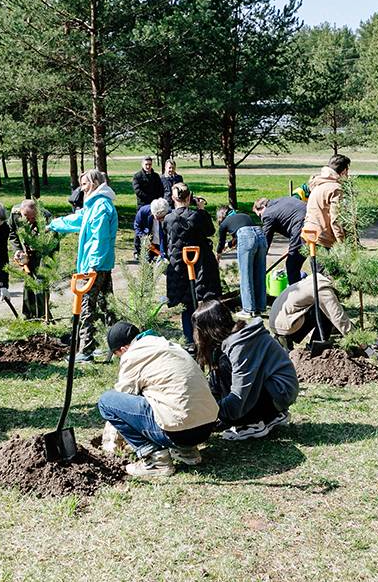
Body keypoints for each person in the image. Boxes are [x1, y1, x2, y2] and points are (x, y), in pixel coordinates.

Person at [97, 321, 219, 478]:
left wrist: (110, 442)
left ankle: (157, 461)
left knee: (106, 401)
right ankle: (187, 451)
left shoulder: (132, 355)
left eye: (117, 355)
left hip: (179, 432)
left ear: (123, 349)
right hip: (207, 426)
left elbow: (122, 400)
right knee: (168, 397)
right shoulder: (169, 345)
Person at [193, 300, 297, 440]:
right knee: (220, 366)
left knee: (223, 365)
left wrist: (214, 415)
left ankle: (250, 424)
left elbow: (239, 394)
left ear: (210, 329)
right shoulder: (235, 337)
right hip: (276, 390)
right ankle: (271, 416)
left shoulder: (240, 345)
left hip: (280, 392)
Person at [48, 170, 118, 361]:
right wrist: (54, 224)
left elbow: (100, 238)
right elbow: (77, 220)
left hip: (94, 266)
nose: (82, 188)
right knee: (106, 305)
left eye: (85, 184)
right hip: (99, 264)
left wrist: (92, 267)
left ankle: (86, 350)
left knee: (87, 306)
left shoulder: (101, 206)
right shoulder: (94, 205)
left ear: (94, 184)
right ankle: (113, 345)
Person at [164, 183, 222, 346]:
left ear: (173, 199)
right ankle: (208, 338)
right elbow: (210, 231)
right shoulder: (197, 216)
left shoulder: (169, 219)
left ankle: (190, 339)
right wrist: (202, 209)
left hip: (179, 268)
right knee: (206, 302)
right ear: (189, 197)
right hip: (201, 265)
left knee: (186, 305)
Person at [269, 270, 352, 348]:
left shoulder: (316, 279)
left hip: (276, 320)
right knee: (327, 312)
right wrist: (362, 343)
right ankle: (315, 347)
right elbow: (338, 318)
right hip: (286, 324)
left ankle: (282, 339)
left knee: (325, 308)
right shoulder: (323, 290)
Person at [215, 205, 267, 318]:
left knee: (246, 275)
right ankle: (260, 307)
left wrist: (218, 254)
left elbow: (221, 242)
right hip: (261, 236)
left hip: (246, 237)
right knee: (259, 274)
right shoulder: (244, 216)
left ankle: (248, 310)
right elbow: (246, 233)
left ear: (221, 216)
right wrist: (228, 245)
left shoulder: (224, 224)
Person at [9, 199, 56, 320]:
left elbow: (52, 242)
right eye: (26, 217)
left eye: (33, 218)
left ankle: (44, 316)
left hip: (45, 251)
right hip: (27, 251)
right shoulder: (15, 213)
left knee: (41, 282)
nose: (29, 221)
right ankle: (28, 316)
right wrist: (18, 250)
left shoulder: (46, 217)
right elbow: (12, 232)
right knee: (28, 282)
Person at [253, 195, 308, 284]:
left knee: (292, 265)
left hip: (301, 228)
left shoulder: (268, 213)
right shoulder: (283, 199)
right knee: (318, 261)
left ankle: (297, 294)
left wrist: (258, 258)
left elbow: (265, 241)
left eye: (259, 215)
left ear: (263, 207)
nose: (261, 218)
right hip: (315, 222)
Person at [304, 154, 350, 249]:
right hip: (323, 237)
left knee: (314, 263)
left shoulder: (318, 184)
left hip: (309, 232)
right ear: (344, 171)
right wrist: (342, 242)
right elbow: (336, 219)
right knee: (326, 264)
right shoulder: (336, 189)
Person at [131, 157, 164, 260]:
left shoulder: (156, 176)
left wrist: (157, 201)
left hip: (156, 206)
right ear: (142, 164)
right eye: (146, 164)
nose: (148, 166)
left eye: (150, 164)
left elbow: (160, 189)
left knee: (154, 227)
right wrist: (150, 200)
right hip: (143, 206)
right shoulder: (137, 176)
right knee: (140, 227)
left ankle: (154, 248)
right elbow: (138, 191)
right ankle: (137, 250)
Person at [134, 197, 170, 263]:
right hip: (149, 244)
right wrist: (144, 238)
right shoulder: (143, 211)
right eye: (158, 217)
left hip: (164, 245)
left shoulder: (171, 214)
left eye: (163, 217)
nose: (161, 219)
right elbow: (137, 227)